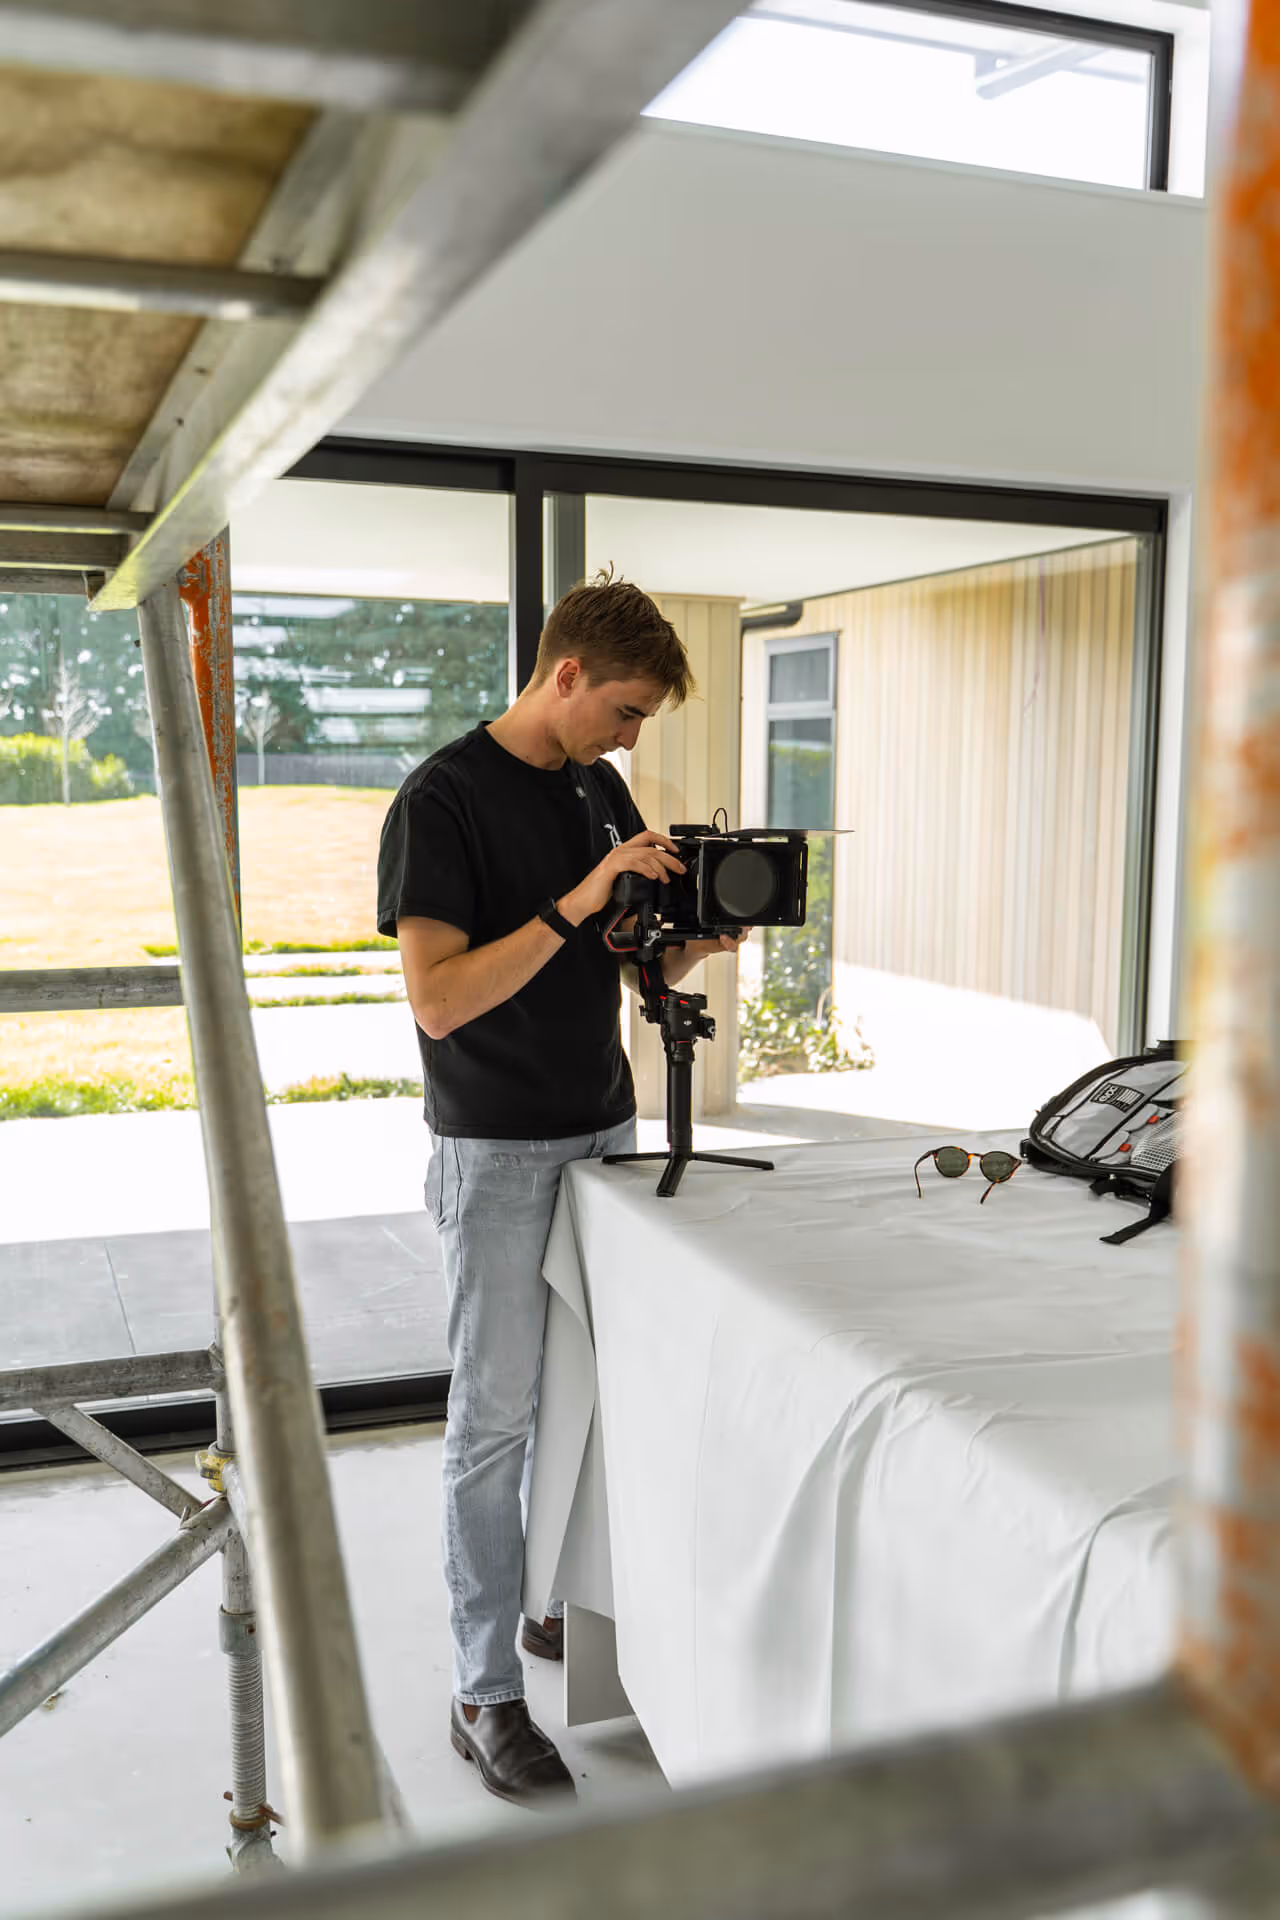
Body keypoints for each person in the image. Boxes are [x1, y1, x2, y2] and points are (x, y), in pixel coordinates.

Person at [376, 573, 745, 1807]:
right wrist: (578, 897)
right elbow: (438, 1001)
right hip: (493, 1148)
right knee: (493, 1423)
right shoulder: (441, 798)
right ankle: (482, 1692)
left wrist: (686, 941)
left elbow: (617, 954)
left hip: (602, 1127)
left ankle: (547, 1607)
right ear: (566, 674)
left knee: (586, 1402)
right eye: (626, 711)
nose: (631, 739)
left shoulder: (596, 787)